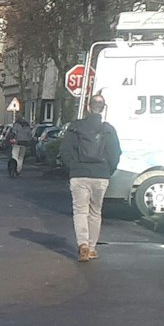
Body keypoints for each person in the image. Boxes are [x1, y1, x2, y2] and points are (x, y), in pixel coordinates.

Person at [60, 95, 121, 261]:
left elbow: (65, 150)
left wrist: (72, 167)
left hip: (79, 174)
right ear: (103, 108)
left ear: (88, 107)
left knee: (80, 211)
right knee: (95, 212)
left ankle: (83, 244)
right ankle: (92, 247)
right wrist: (108, 171)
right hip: (100, 175)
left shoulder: (75, 127)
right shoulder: (108, 129)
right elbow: (115, 154)